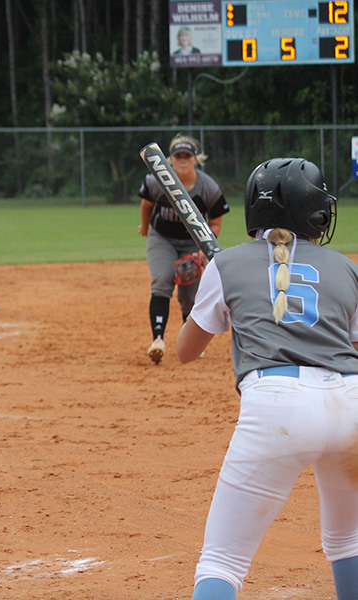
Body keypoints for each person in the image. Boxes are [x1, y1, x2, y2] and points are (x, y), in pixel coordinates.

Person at [176, 158, 358, 599]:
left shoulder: (229, 264)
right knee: (349, 541)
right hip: (351, 403)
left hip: (278, 406)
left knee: (223, 560)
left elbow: (186, 352)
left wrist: (202, 292)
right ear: (313, 214)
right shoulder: (346, 267)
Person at [138, 135, 229, 364]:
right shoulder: (157, 180)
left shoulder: (208, 187)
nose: (182, 160)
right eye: (178, 156)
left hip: (193, 243)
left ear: (195, 159)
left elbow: (215, 224)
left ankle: (191, 343)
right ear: (170, 158)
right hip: (162, 239)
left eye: (187, 156)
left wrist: (202, 250)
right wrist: (145, 227)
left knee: (190, 296)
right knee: (162, 279)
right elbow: (147, 205)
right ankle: (157, 340)